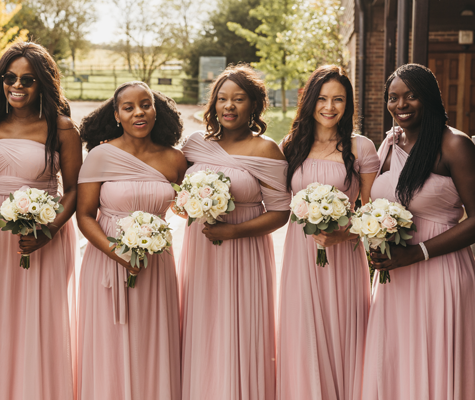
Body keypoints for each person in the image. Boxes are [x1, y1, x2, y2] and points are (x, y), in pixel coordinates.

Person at [177, 64, 290, 400]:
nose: (229, 106)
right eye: (222, 99)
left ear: (253, 105)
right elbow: (176, 192)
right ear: (213, 104)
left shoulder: (266, 150)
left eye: (238, 99)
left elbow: (281, 212)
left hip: (245, 250)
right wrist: (186, 205)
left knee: (241, 329)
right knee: (204, 325)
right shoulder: (195, 144)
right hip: (201, 251)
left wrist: (235, 231)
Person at [362, 64, 475, 399]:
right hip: (396, 278)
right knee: (396, 363)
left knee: (436, 365)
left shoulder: (454, 144)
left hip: (439, 273)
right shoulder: (389, 145)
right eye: (394, 97)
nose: (402, 104)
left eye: (411, 95)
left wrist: (417, 253)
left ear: (430, 97)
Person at [0, 42, 81, 400]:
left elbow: (74, 191)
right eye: (9, 77)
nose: (16, 86)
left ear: (43, 84)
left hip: (44, 235)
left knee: (41, 321)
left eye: (28, 79)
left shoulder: (62, 128)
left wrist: (49, 232)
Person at [76, 81, 187, 400]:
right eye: (129, 107)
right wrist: (117, 252)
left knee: (153, 342)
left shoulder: (175, 160)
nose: (139, 112)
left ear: (156, 109)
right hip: (106, 260)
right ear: (117, 115)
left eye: (146, 104)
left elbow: (183, 208)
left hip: (157, 264)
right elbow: (84, 215)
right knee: (109, 342)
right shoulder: (99, 156)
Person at [277, 65, 379, 400]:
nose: (330, 107)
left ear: (348, 104)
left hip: (343, 254)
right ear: (309, 101)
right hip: (300, 254)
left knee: (342, 328)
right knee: (301, 328)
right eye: (322, 98)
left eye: (338, 99)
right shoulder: (291, 145)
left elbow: (372, 209)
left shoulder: (360, 148)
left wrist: (345, 234)